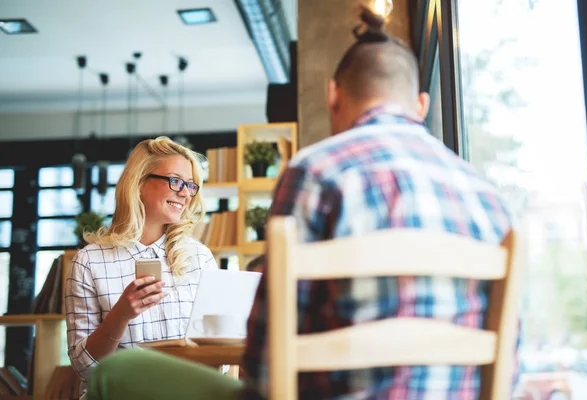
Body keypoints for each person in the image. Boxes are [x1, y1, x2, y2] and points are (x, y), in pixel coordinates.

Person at [86, 6, 513, 400]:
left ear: (332, 95)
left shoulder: (316, 171)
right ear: (422, 105)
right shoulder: (487, 195)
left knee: (120, 369)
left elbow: (266, 361)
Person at [64, 136, 218, 397]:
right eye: (175, 181)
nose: (185, 193)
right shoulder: (89, 262)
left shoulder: (199, 258)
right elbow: (85, 368)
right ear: (139, 184)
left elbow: (217, 354)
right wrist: (121, 315)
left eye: (191, 185)